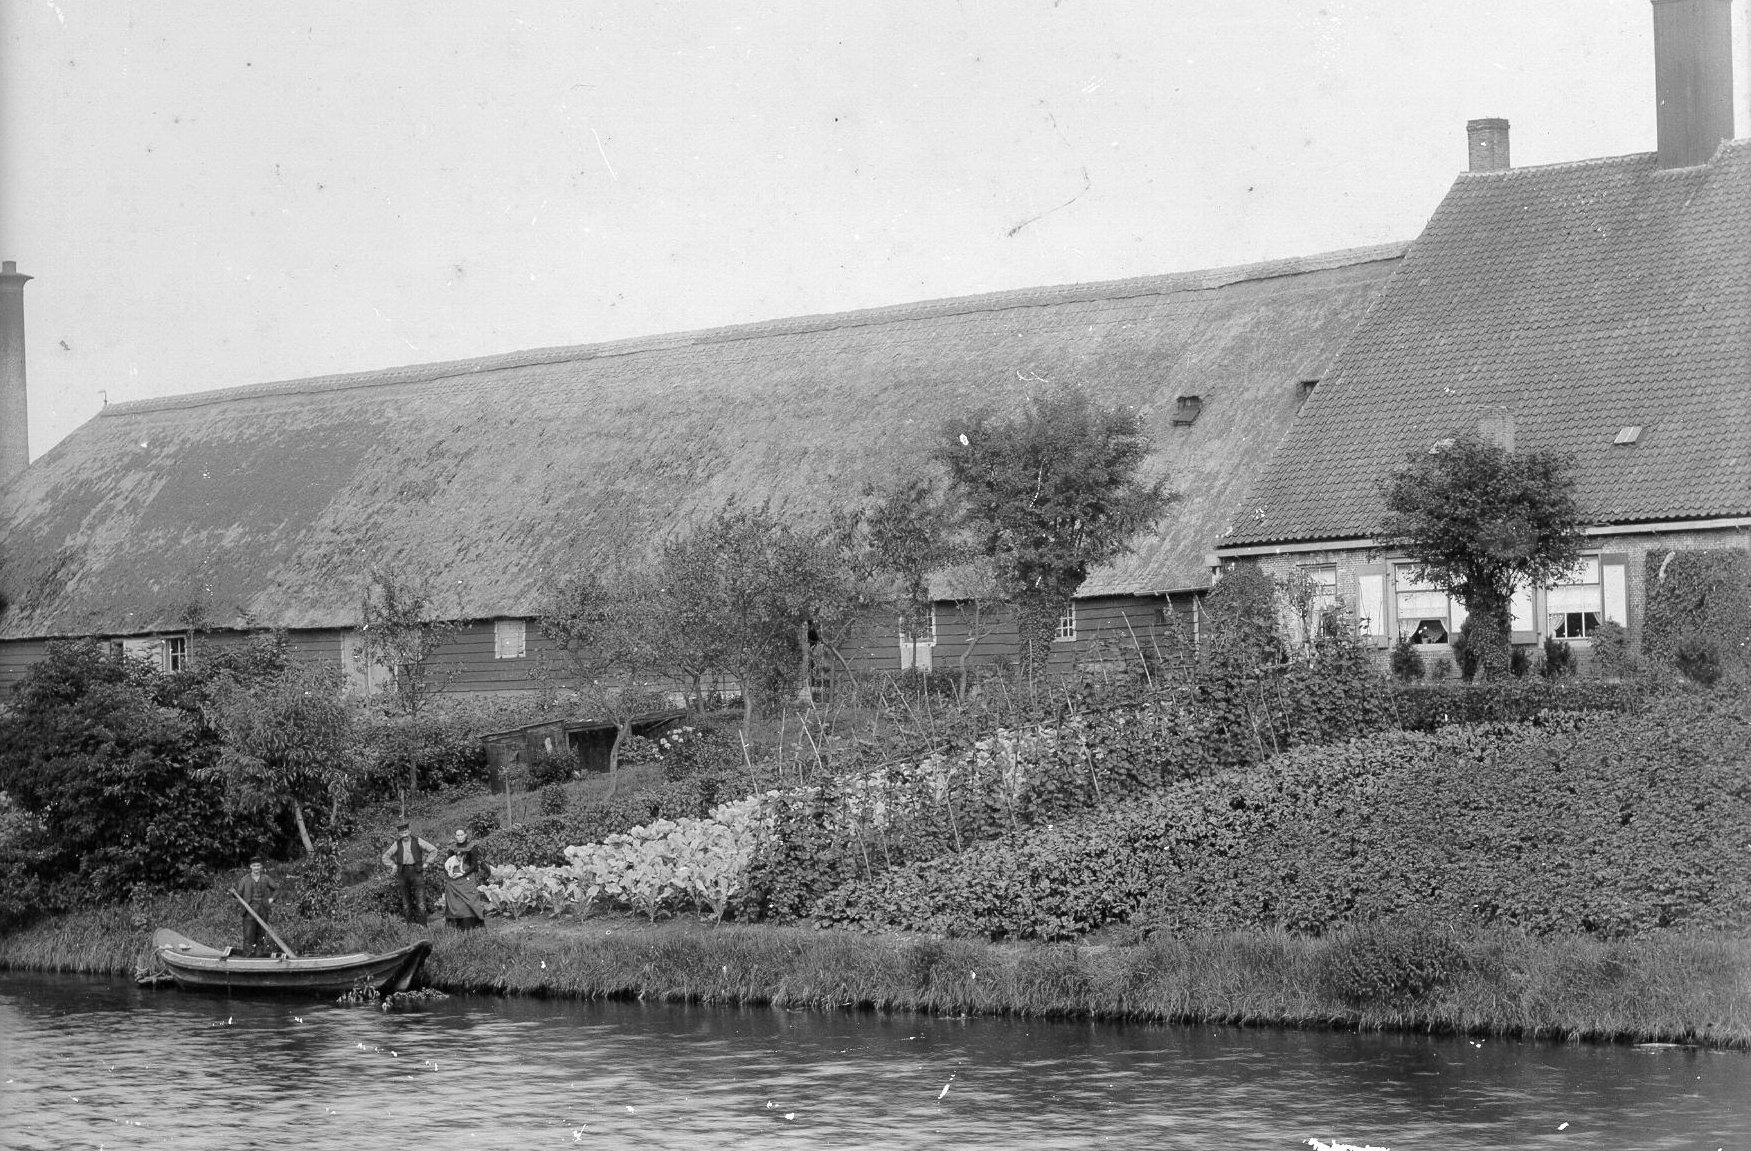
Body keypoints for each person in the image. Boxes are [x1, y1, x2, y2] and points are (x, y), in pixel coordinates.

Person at [380, 822, 438, 925]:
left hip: (417, 871)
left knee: (420, 901)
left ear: (409, 831)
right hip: (403, 873)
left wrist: (427, 863)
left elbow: (433, 850)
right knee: (406, 901)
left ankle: (423, 925)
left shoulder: (418, 841)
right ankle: (409, 925)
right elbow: (385, 856)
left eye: (406, 831)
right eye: (402, 832)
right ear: (399, 834)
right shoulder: (396, 844)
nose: (404, 834)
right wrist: (393, 865)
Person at [441, 828, 489, 931]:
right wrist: (449, 872)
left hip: (467, 877)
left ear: (466, 835)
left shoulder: (472, 847)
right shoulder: (452, 848)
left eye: (461, 835)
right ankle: (456, 927)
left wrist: (462, 873)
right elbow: (448, 863)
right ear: (455, 836)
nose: (460, 837)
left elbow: (474, 866)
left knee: (470, 900)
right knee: (454, 900)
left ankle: (472, 925)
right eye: (457, 835)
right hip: (454, 879)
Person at [231, 858, 278, 957]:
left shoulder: (266, 878)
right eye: (254, 866)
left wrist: (272, 899)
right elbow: (238, 894)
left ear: (261, 867)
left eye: (258, 866)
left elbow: (276, 888)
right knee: (248, 936)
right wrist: (233, 893)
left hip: (263, 910)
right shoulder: (244, 879)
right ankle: (246, 957)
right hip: (249, 911)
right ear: (250, 867)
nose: (256, 868)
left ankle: (258, 958)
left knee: (261, 936)